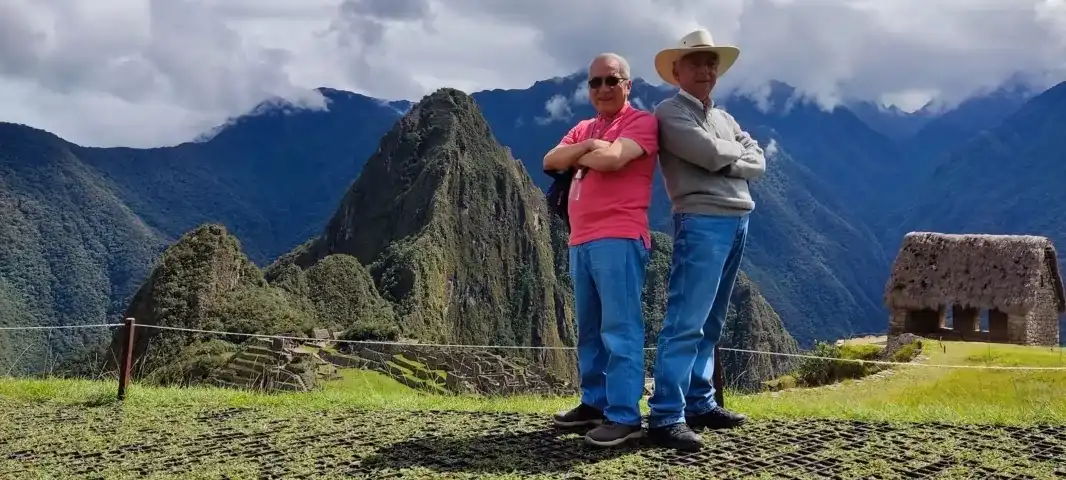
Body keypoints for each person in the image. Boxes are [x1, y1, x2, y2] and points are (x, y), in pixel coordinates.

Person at [646, 29, 767, 451]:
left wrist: (728, 154)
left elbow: (758, 159)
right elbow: (712, 155)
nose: (705, 69)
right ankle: (666, 414)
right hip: (700, 220)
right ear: (676, 70)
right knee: (686, 320)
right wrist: (733, 155)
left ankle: (700, 402)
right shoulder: (668, 113)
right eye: (696, 62)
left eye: (710, 62)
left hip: (737, 221)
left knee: (712, 321)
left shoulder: (725, 117)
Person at [543, 52, 659, 448]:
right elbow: (550, 160)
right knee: (589, 330)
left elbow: (612, 161)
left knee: (620, 329)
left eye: (613, 80)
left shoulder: (642, 123)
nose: (604, 88)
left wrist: (584, 154)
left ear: (628, 85)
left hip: (619, 236)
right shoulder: (584, 128)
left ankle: (625, 415)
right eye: (596, 82)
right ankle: (593, 403)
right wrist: (591, 142)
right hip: (580, 239)